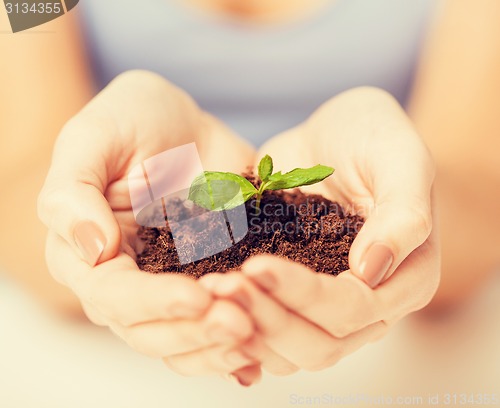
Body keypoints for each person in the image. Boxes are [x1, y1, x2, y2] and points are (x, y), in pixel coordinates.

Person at [1, 0, 499, 387]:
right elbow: (20, 170)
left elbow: (479, 184)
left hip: (403, 366)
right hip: (103, 357)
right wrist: (84, 217)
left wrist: (408, 211)